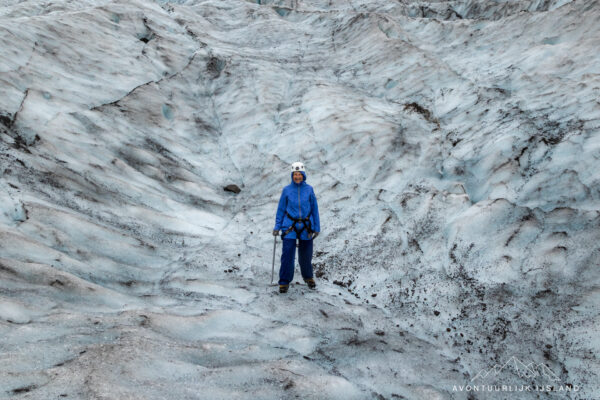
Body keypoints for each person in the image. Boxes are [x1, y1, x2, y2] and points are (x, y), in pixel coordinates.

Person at [272, 162, 320, 293]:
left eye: (299, 174)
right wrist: (277, 226)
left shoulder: (309, 189)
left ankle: (308, 277)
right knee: (287, 254)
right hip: (289, 225)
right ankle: (284, 282)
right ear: (292, 175)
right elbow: (281, 209)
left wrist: (317, 227)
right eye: (295, 174)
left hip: (307, 226)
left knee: (306, 255)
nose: (297, 176)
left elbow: (315, 209)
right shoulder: (286, 190)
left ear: (303, 175)